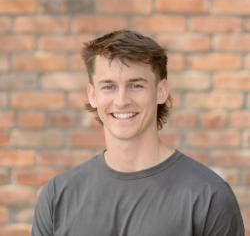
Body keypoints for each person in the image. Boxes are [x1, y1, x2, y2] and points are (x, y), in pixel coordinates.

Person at [32, 30, 245, 236]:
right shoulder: (57, 196)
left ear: (161, 91)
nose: (122, 100)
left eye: (136, 85)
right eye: (108, 86)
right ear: (92, 95)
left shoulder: (208, 197)